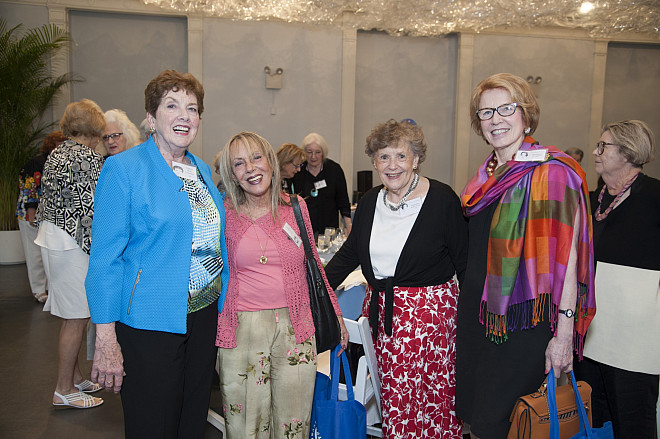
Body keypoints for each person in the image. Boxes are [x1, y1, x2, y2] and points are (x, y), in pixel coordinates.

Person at [85, 70, 229, 438]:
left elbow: (214, 243)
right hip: (149, 325)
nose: (184, 116)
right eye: (172, 105)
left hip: (203, 317)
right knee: (154, 424)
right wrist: (105, 337)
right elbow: (104, 260)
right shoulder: (123, 169)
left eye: (192, 108)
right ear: (150, 118)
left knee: (191, 420)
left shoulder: (201, 171)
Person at [456, 73, 596, 439]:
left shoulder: (555, 173)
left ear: (527, 115)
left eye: (506, 108)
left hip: (524, 323)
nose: (496, 119)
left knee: (511, 424)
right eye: (486, 113)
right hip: (479, 317)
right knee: (479, 420)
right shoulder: (482, 178)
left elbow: (568, 265)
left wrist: (564, 334)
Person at [325, 119, 468, 438]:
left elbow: (465, 265)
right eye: (383, 157)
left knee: (432, 403)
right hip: (385, 319)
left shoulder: (442, 200)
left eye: (401, 156)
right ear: (374, 162)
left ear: (416, 159)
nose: (392, 165)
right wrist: (315, 285)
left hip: (431, 324)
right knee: (395, 401)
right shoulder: (370, 201)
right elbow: (351, 254)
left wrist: (473, 329)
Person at [215, 131, 348, 439]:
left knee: (294, 425)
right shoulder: (224, 214)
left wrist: (337, 314)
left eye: (257, 157)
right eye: (239, 163)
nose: (250, 168)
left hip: (296, 327)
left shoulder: (296, 207)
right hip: (241, 329)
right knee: (246, 426)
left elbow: (314, 265)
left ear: (272, 163)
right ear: (232, 175)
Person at [574, 120, 659, 438]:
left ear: (628, 151)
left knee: (633, 422)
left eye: (603, 146)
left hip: (635, 336)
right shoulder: (592, 198)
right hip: (593, 330)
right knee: (594, 421)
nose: (595, 152)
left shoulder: (654, 196)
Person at [34, 99, 106, 409]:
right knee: (75, 318)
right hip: (70, 243)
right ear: (95, 126)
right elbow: (91, 208)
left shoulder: (57, 152)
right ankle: (63, 389)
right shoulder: (88, 157)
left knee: (74, 314)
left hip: (54, 240)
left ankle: (75, 377)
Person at [16, 130, 67, 303]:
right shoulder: (36, 163)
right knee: (34, 253)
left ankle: (50, 288)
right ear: (51, 145)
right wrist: (31, 211)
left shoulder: (60, 163)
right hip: (30, 214)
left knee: (48, 252)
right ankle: (38, 290)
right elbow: (29, 188)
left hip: (48, 215)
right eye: (59, 144)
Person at [291, 132, 352, 236]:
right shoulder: (298, 171)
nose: (313, 156)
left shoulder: (334, 170)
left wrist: (349, 226)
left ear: (323, 153)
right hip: (304, 229)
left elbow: (343, 201)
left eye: (317, 152)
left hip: (329, 229)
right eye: (309, 152)